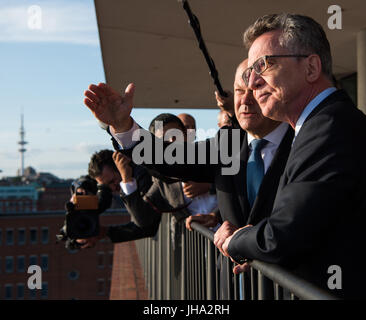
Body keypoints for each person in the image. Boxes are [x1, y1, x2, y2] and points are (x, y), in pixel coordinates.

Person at [82, 58, 294, 267]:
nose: (246, 100)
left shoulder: (305, 142)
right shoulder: (227, 144)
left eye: (257, 88)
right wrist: (123, 125)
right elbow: (168, 158)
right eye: (239, 91)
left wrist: (239, 242)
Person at [220, 13, 366, 299]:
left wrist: (236, 240)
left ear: (312, 67)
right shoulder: (321, 125)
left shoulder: (331, 127)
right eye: (250, 71)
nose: (252, 83)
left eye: (263, 65)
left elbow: (283, 236)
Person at [76, 149, 159, 248]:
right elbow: (147, 228)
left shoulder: (141, 172)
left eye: (113, 181)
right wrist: (80, 187)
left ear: (120, 165)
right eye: (107, 186)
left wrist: (127, 181)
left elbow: (146, 223)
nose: (113, 187)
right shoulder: (124, 184)